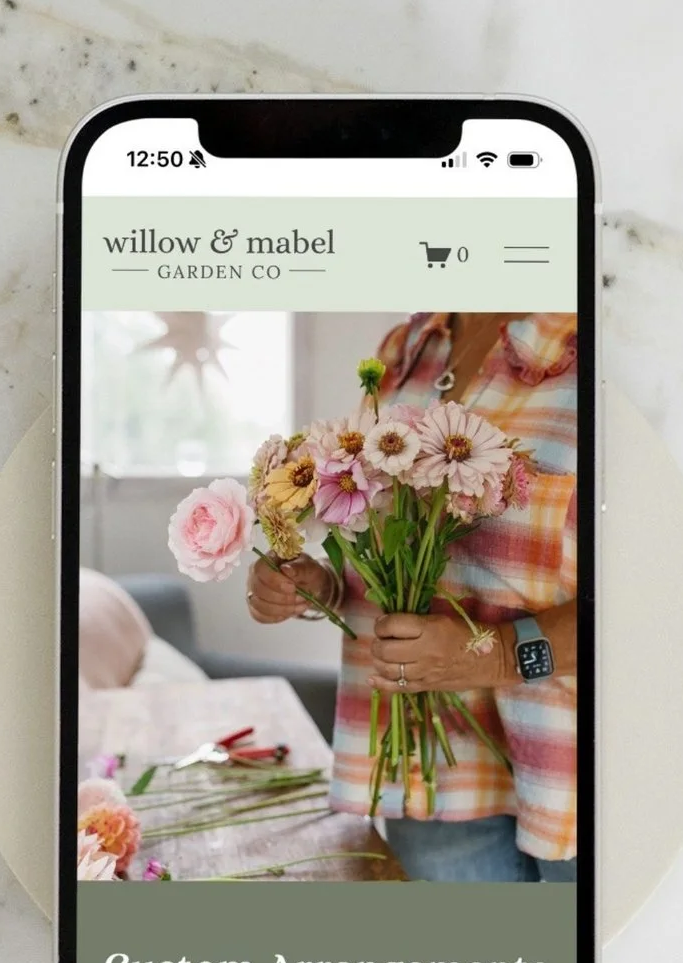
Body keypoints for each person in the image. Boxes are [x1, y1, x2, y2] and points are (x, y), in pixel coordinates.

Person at [248, 312, 579, 882]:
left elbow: (655, 599)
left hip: (569, 772)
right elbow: (385, 539)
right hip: (427, 774)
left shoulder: (597, 347)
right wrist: (321, 586)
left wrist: (501, 654)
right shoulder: (406, 348)